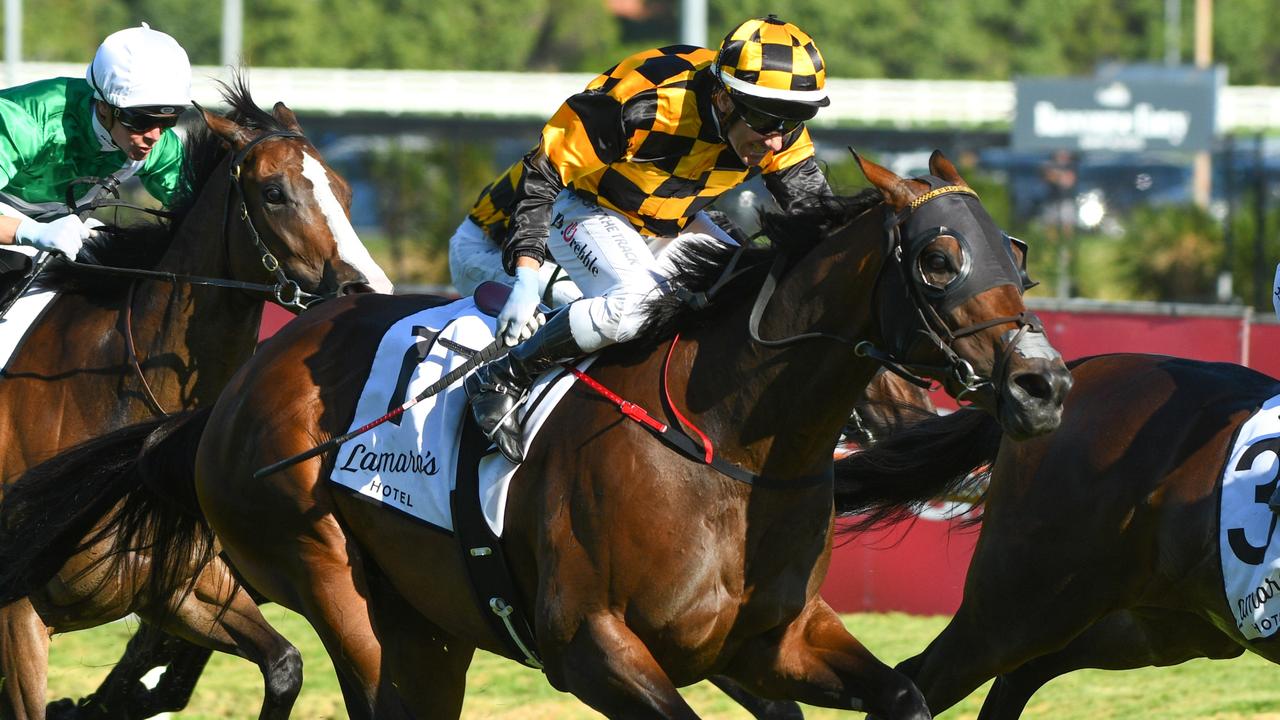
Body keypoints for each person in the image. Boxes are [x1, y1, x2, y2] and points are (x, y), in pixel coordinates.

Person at [466, 15, 833, 462]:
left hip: (670, 223)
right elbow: (542, 172)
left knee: (747, 289)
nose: (776, 141)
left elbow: (821, 223)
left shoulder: (778, 130)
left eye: (795, 120)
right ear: (722, 97)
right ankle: (506, 375)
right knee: (634, 304)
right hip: (585, 206)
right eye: (765, 119)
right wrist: (525, 272)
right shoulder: (649, 100)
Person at [0, 23, 191, 294]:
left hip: (55, 222)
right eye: (140, 120)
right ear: (103, 107)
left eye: (168, 121)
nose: (154, 136)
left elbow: (199, 215)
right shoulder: (24, 123)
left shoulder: (160, 146)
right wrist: (31, 232)